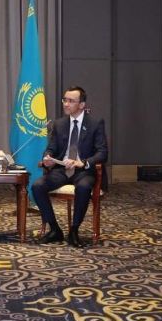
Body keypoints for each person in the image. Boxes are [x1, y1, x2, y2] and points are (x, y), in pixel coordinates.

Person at [30, 86, 107, 248]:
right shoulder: (59, 124)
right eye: (65, 100)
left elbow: (102, 152)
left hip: (83, 171)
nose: (66, 104)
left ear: (82, 105)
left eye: (71, 101)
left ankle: (74, 230)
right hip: (62, 170)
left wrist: (84, 162)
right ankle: (55, 229)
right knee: (37, 186)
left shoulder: (95, 123)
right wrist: (48, 158)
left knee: (84, 187)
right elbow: (51, 148)